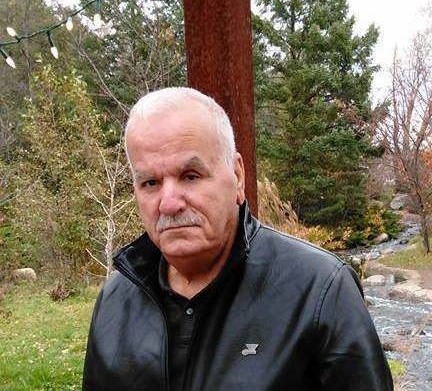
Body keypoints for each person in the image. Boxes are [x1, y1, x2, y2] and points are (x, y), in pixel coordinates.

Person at [83, 87, 393, 391]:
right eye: (150, 183)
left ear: (238, 176)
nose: (169, 203)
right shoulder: (116, 301)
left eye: (190, 176)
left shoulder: (319, 291)